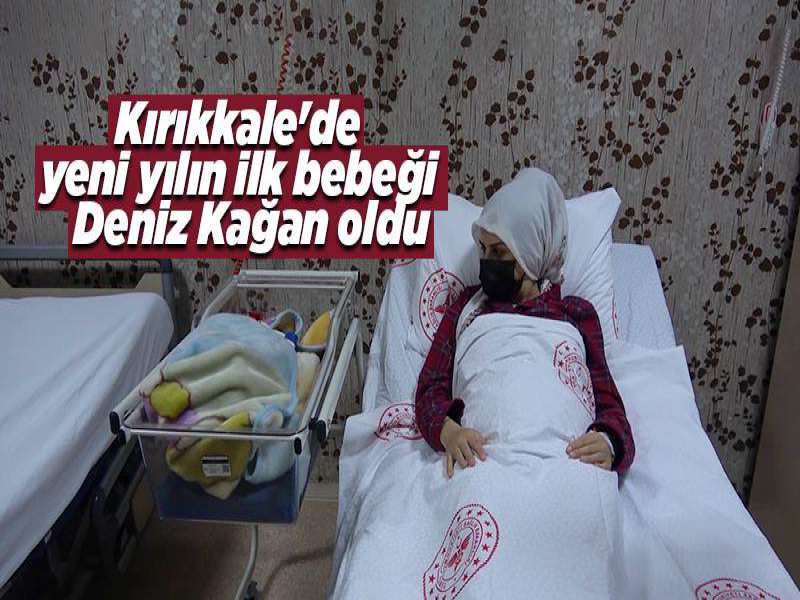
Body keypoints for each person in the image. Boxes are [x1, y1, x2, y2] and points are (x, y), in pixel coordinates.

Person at [414, 168, 634, 479]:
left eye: (499, 252)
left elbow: (609, 403)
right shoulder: (467, 307)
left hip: (565, 465)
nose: (487, 262)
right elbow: (430, 388)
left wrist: (609, 442)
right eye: (483, 249)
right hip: (482, 462)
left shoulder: (577, 315)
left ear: (531, 253)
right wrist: (448, 431)